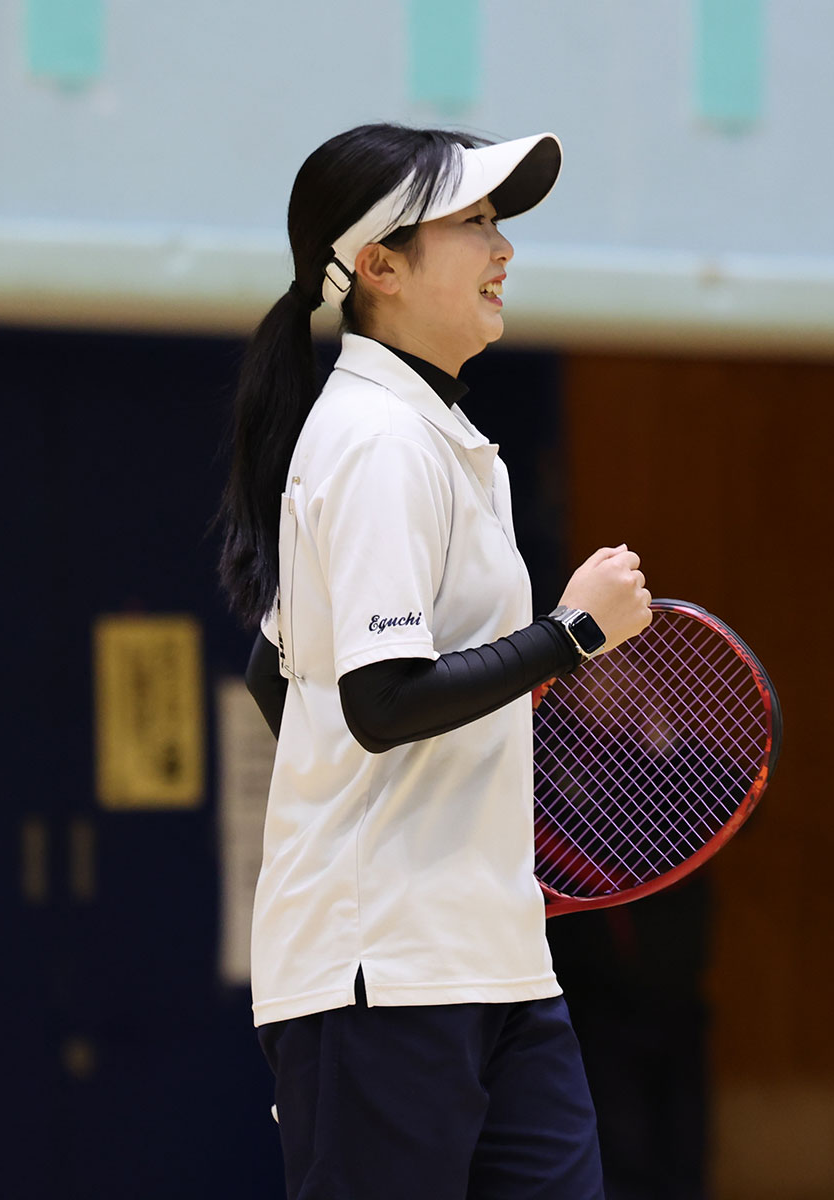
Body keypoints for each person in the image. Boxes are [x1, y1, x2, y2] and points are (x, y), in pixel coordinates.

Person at [214, 121, 651, 1199]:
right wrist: (573, 634)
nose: (505, 249)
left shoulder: (438, 438)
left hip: (494, 958)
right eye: (476, 224)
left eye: (500, 224)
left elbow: (280, 674)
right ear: (381, 266)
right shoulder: (375, 441)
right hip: (382, 972)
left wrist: (428, 801)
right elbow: (378, 701)